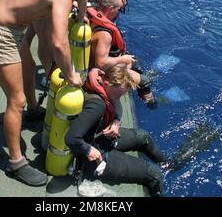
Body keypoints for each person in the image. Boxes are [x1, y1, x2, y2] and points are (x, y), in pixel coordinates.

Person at [0, 0, 101, 186]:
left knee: (28, 70)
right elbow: (59, 43)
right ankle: (16, 163)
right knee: (16, 101)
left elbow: (76, 0)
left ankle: (34, 110)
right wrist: (71, 75)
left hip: (11, 28)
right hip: (0, 33)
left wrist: (80, 10)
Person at [20, 0, 114, 120]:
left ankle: (27, 47)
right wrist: (81, 16)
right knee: (48, 44)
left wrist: (80, 14)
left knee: (34, 32)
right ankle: (53, 79)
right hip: (42, 0)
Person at [65, 66, 164, 196]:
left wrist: (116, 120)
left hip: (100, 136)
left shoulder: (100, 80)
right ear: (107, 83)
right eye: (120, 93)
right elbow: (71, 138)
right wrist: (89, 150)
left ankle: (166, 163)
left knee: (142, 136)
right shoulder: (97, 106)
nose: (122, 96)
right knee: (154, 174)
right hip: (90, 158)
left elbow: (116, 102)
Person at [88, 0, 157, 108]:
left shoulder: (95, 17)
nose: (119, 13)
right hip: (109, 70)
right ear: (110, 8)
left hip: (114, 57)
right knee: (145, 82)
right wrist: (122, 59)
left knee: (134, 61)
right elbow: (100, 63)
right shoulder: (105, 35)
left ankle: (136, 77)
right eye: (119, 10)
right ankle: (151, 105)